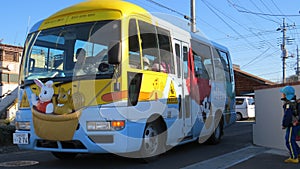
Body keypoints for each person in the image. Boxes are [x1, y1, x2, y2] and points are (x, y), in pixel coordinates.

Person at [280, 85, 300, 163]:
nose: (282, 95)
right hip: (296, 124)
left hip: (292, 125)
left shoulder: (288, 104)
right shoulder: (295, 102)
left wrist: (284, 124)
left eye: (283, 93)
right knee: (292, 140)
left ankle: (294, 157)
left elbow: (287, 116)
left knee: (289, 141)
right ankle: (298, 153)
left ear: (286, 94)